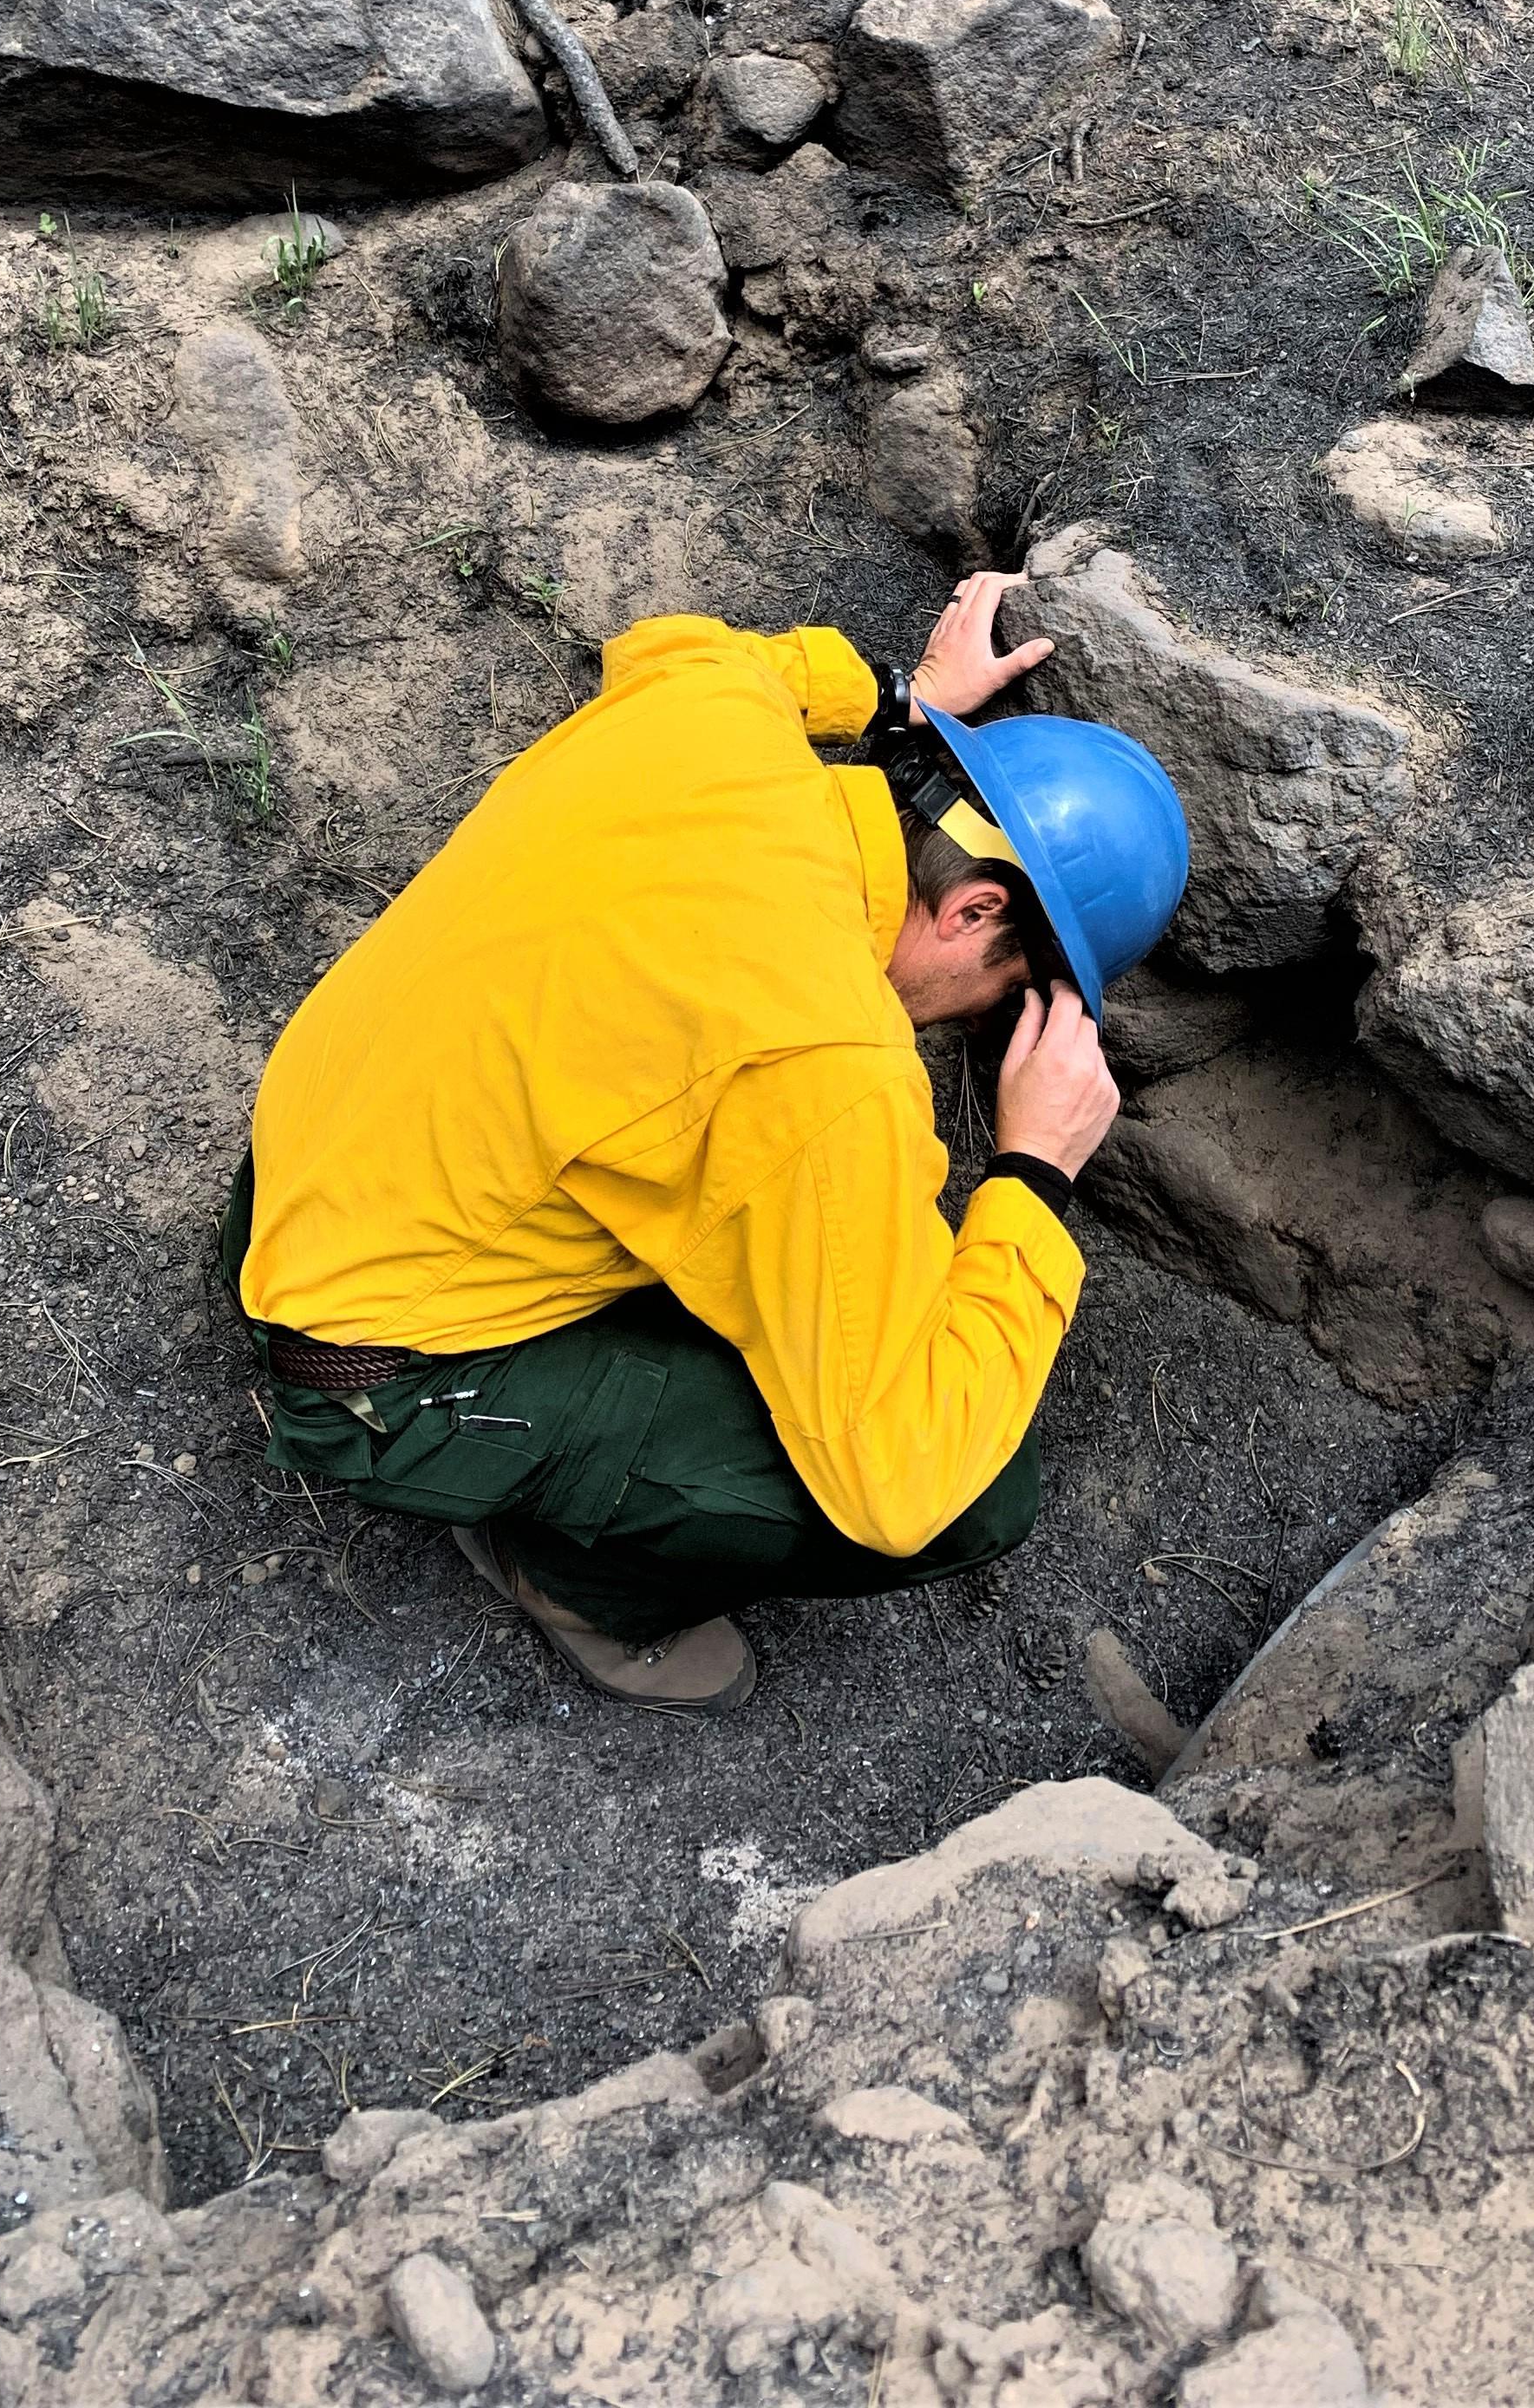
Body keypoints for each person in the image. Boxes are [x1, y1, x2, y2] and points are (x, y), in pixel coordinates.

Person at [227, 573, 1191, 1715]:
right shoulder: (832, 1072)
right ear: (976, 909)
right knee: (981, 1495)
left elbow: (681, 650)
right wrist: (1034, 1176)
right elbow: (902, 1482)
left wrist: (906, 695)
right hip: (367, 1369)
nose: (981, 1022)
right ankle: (572, 1580)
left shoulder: (717, 727)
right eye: (1009, 990)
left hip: (315, 1162)